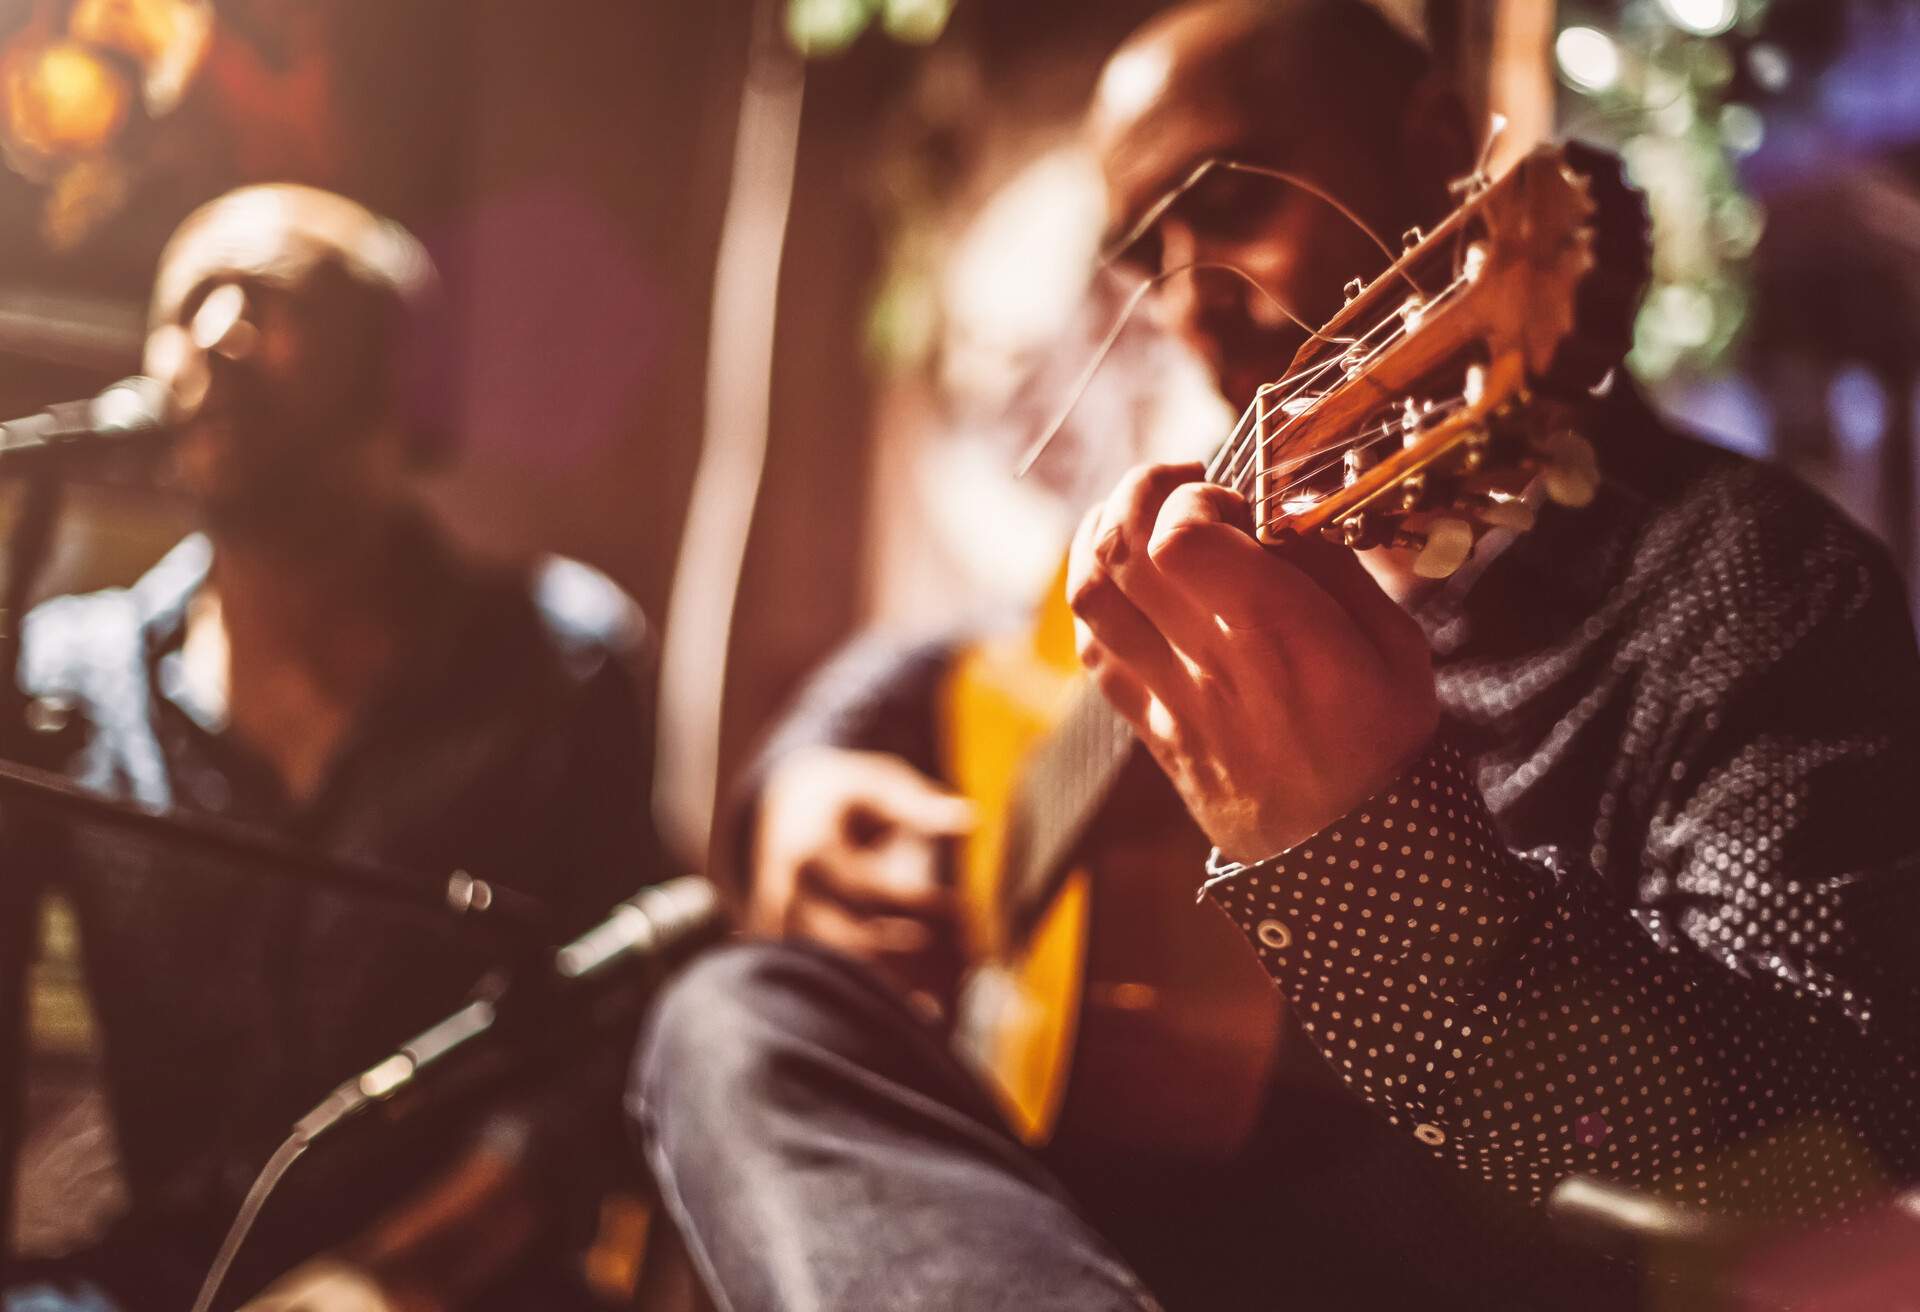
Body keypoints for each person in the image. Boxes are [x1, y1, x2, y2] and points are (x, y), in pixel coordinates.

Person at [629, 1, 1920, 1309]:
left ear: (1432, 155)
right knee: (736, 1016)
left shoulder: (1747, 585)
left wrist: (1377, 857)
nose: (1194, 314)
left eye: (1233, 207)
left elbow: (1838, 1162)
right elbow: (938, 659)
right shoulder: (1235, 550)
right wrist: (802, 780)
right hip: (1102, 1251)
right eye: (1149, 256)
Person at [8, 185, 665, 1311]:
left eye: (268, 299)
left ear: (403, 381)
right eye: (190, 303)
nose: (217, 335)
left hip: (465, 1284)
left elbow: (615, 1035)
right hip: (163, 1279)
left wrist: (388, 1278)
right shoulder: (68, 676)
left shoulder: (560, 660)